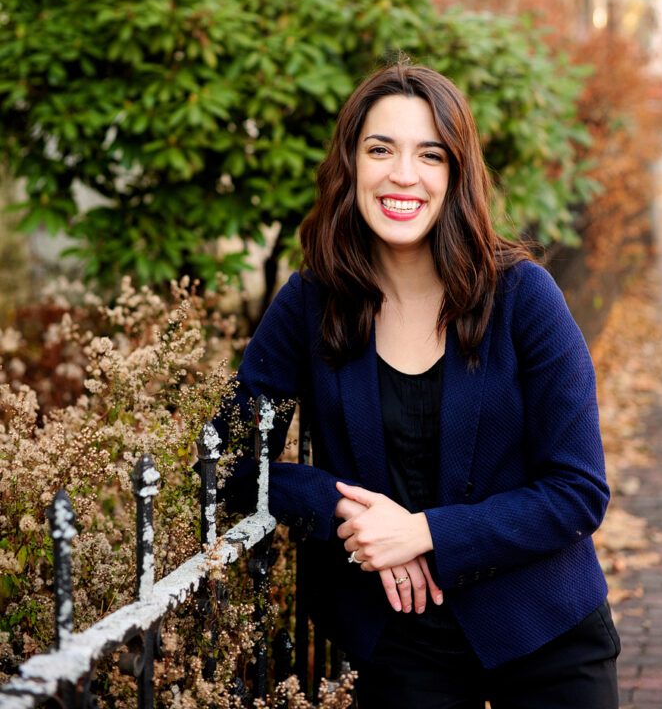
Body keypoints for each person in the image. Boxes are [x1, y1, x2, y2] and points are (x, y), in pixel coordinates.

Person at [212, 62, 620, 708]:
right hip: (398, 642)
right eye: (381, 149)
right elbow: (226, 461)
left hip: (543, 625)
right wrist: (342, 508)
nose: (404, 174)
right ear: (351, 164)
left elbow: (578, 491)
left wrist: (424, 532)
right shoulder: (311, 301)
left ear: (456, 175)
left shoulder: (523, 297)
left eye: (430, 154)